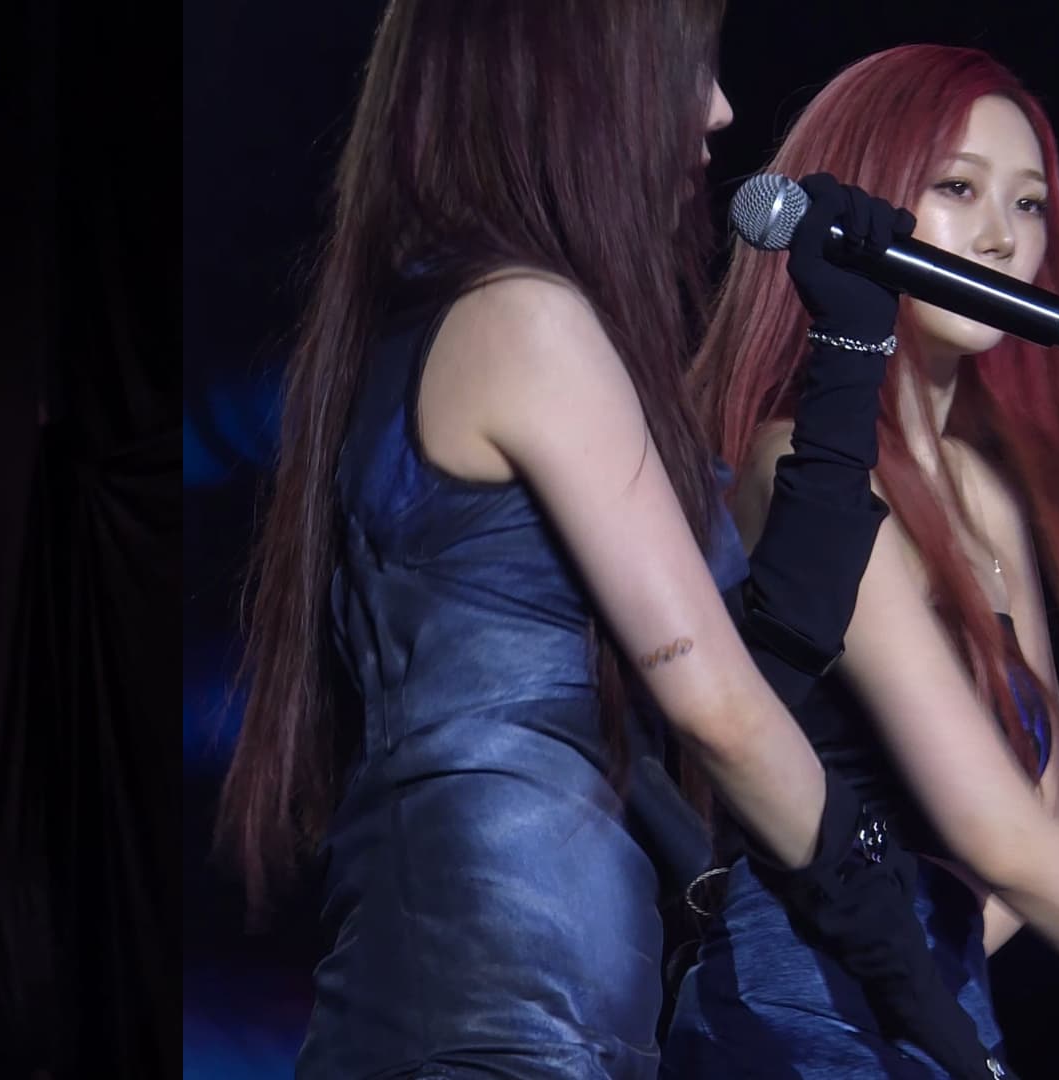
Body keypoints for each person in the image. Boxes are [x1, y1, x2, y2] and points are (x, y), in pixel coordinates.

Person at [213, 2, 1004, 1077]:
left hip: (529, 1010)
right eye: (686, 68)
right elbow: (723, 712)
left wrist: (850, 349)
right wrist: (914, 985)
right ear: (571, 81)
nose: (719, 110)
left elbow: (765, 664)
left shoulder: (464, 316)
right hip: (493, 1016)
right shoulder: (522, 317)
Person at [667, 43, 1059, 1077]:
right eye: (958, 188)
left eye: (1029, 205)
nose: (1001, 237)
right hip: (792, 1035)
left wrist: (930, 983)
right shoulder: (799, 467)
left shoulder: (987, 493)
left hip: (918, 1022)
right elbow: (998, 836)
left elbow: (1039, 836)